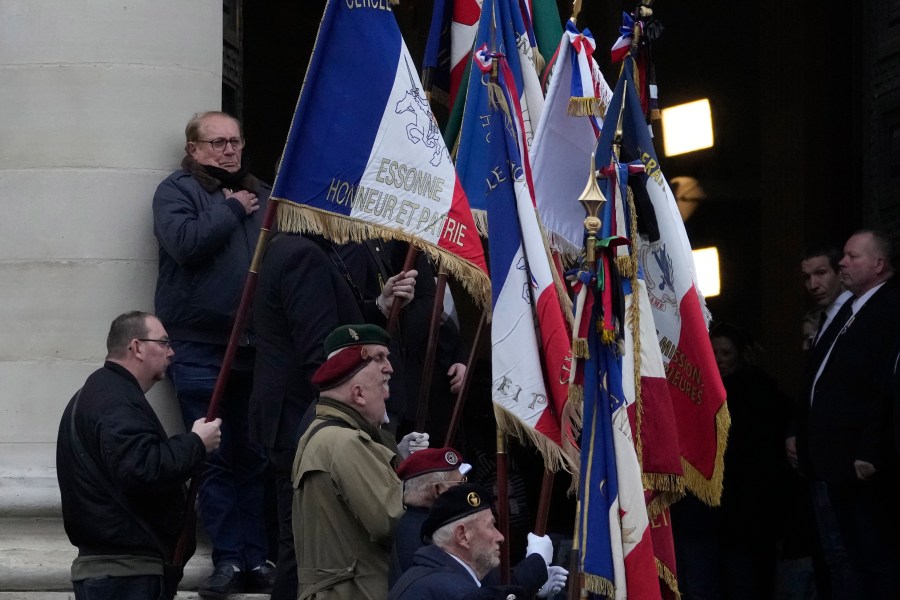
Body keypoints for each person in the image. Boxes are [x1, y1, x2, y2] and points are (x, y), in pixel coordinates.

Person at [250, 232, 418, 600]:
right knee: (302, 551)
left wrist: (379, 304)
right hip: (308, 422)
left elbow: (338, 338)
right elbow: (324, 355)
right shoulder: (301, 255)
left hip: (311, 423)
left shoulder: (311, 250)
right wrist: (367, 405)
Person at [152, 111, 273, 596]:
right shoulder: (177, 191)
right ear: (194, 149)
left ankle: (257, 559)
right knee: (213, 458)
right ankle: (227, 560)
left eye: (235, 142)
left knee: (256, 457)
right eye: (217, 143)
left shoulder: (262, 194)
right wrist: (231, 210)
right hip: (201, 347)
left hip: (256, 347)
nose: (229, 151)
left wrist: (246, 203)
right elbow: (184, 243)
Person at [56, 311, 222, 599]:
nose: (172, 352)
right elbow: (142, 469)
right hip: (124, 577)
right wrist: (196, 443)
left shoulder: (105, 394)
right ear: (137, 347)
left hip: (119, 573)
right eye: (164, 342)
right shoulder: (115, 401)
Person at [794, 229, 900, 598]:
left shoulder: (889, 308)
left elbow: (885, 384)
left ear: (879, 263)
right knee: (848, 558)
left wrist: (872, 447)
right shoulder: (854, 307)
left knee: (873, 559)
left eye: (853, 257)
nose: (843, 262)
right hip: (834, 460)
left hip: (864, 463)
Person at [292, 323, 429, 600]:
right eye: (382, 388)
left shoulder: (327, 433)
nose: (388, 395)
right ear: (358, 394)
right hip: (353, 591)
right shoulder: (346, 442)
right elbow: (390, 520)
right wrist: (430, 493)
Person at [671, 322, 790, 599]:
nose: (719, 359)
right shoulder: (691, 389)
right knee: (700, 586)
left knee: (742, 585)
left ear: (741, 354)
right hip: (698, 511)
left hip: (742, 514)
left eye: (726, 353)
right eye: (713, 352)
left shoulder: (759, 394)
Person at [389, 448, 565, 598]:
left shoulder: (414, 524)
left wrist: (535, 585)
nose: (500, 536)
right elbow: (488, 585)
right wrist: (537, 562)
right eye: (460, 483)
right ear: (437, 490)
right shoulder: (422, 531)